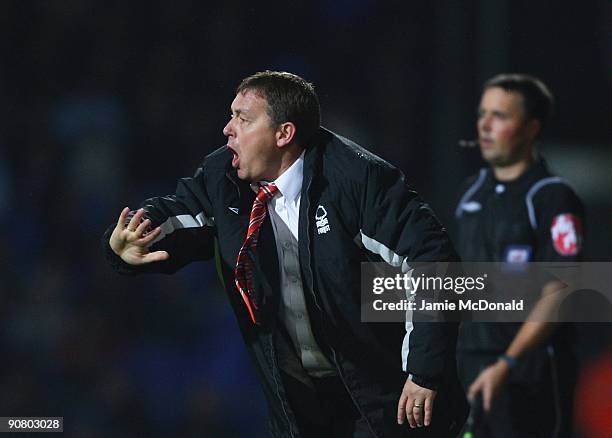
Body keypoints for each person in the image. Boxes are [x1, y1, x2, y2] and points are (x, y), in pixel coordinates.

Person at [103, 71, 468, 437]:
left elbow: (432, 259)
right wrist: (130, 239)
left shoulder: (357, 179)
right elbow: (176, 212)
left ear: (284, 134)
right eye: (232, 116)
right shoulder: (224, 178)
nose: (228, 129)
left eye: (243, 119)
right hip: (299, 406)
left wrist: (424, 371)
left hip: (383, 396)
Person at [454, 74, 584, 437]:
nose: (484, 125)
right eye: (482, 114)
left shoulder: (552, 197)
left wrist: (508, 362)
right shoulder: (470, 193)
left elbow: (560, 293)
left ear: (530, 129)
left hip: (529, 373)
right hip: (469, 366)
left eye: (499, 116)